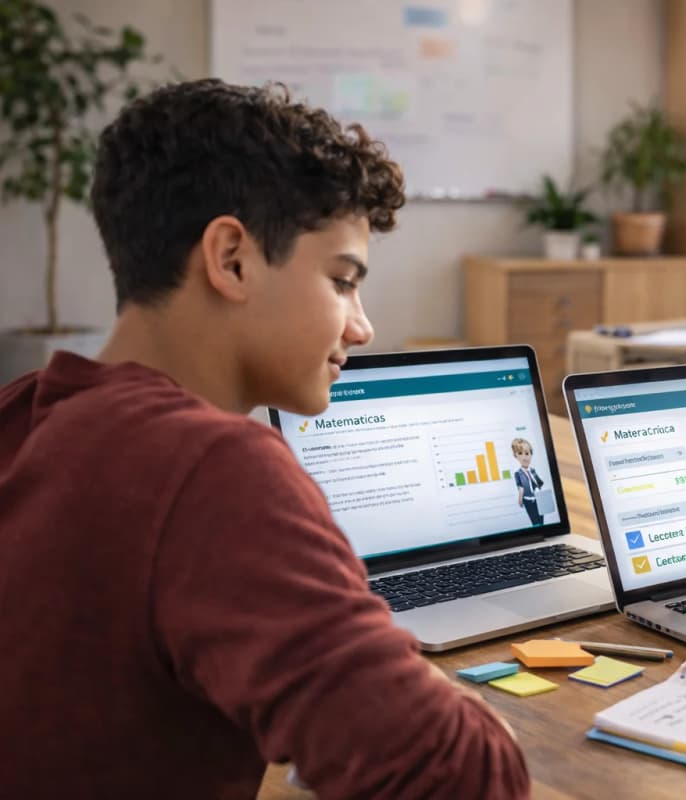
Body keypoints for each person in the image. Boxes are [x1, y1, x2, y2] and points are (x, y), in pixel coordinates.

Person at [0, 80, 528, 799]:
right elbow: (463, 780)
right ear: (232, 260)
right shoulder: (210, 469)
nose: (361, 326)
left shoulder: (26, 412)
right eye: (342, 281)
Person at [512, 437, 545, 526]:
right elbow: (521, 488)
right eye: (520, 453)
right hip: (528, 500)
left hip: (538, 498)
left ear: (531, 454)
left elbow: (540, 483)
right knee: (534, 520)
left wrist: (538, 490)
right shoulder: (518, 473)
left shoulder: (532, 470)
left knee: (541, 519)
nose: (524, 457)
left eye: (527, 453)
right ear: (516, 456)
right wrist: (520, 499)